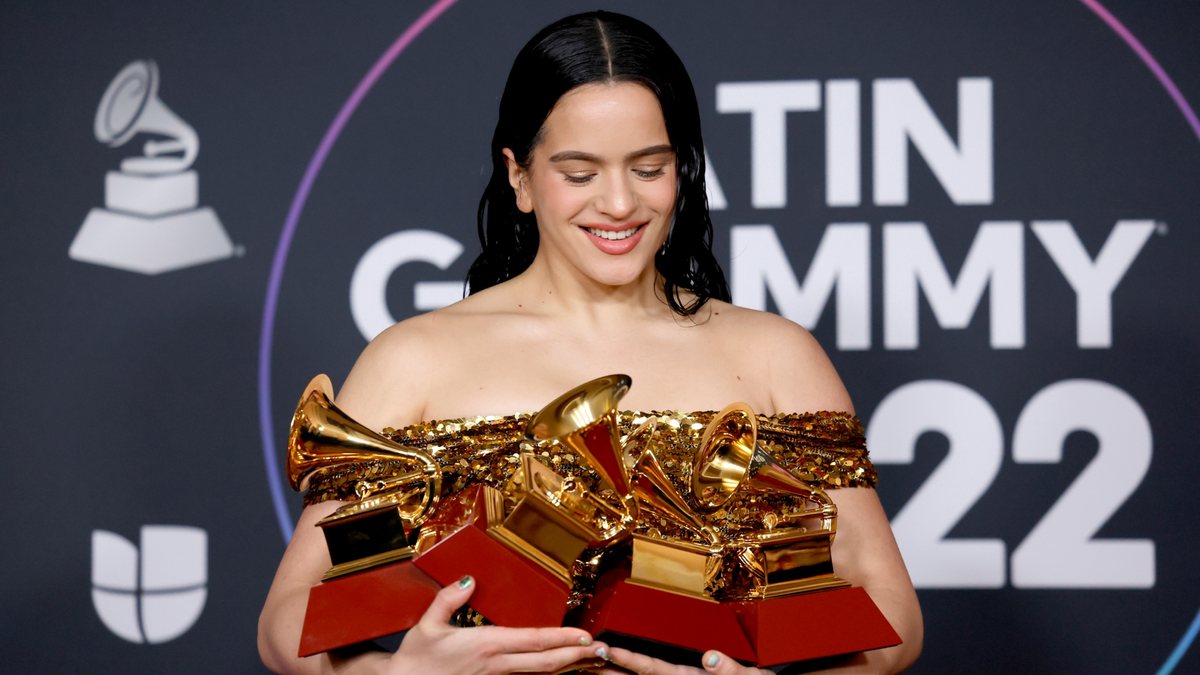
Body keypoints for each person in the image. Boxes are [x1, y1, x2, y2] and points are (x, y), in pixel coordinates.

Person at [258, 10, 922, 674]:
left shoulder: (776, 355)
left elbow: (888, 605)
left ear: (681, 170)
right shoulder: (413, 360)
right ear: (518, 175)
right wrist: (400, 673)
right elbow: (290, 616)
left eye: (648, 168)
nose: (618, 202)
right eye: (579, 174)